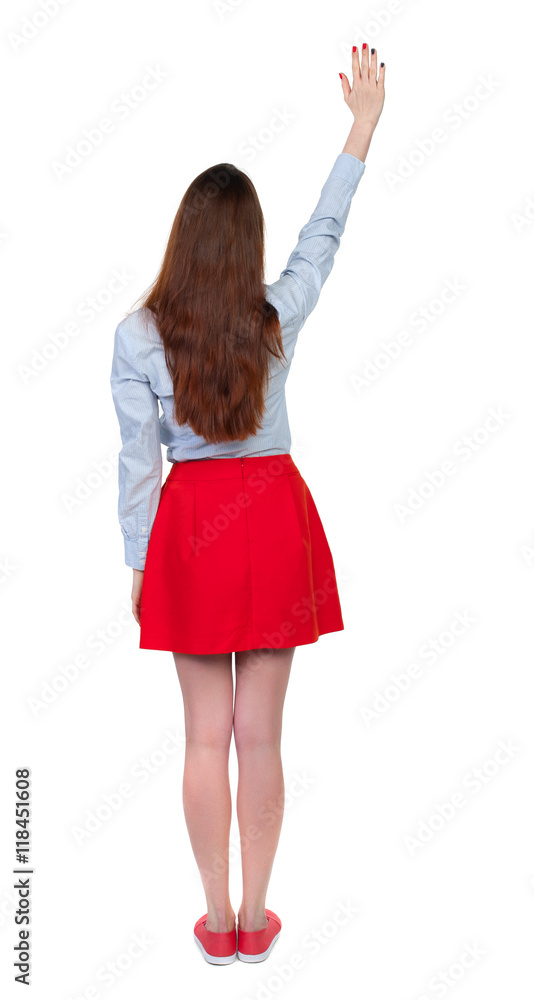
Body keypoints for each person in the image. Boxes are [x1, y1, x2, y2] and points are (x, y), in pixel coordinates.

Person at [110, 43, 385, 966]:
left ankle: (216, 917)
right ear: (248, 248)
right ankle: (257, 918)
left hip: (191, 528)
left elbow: (136, 461)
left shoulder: (140, 333)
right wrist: (361, 130)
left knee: (203, 739)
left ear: (183, 241)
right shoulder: (275, 315)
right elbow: (323, 238)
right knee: (261, 738)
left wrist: (139, 560)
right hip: (269, 518)